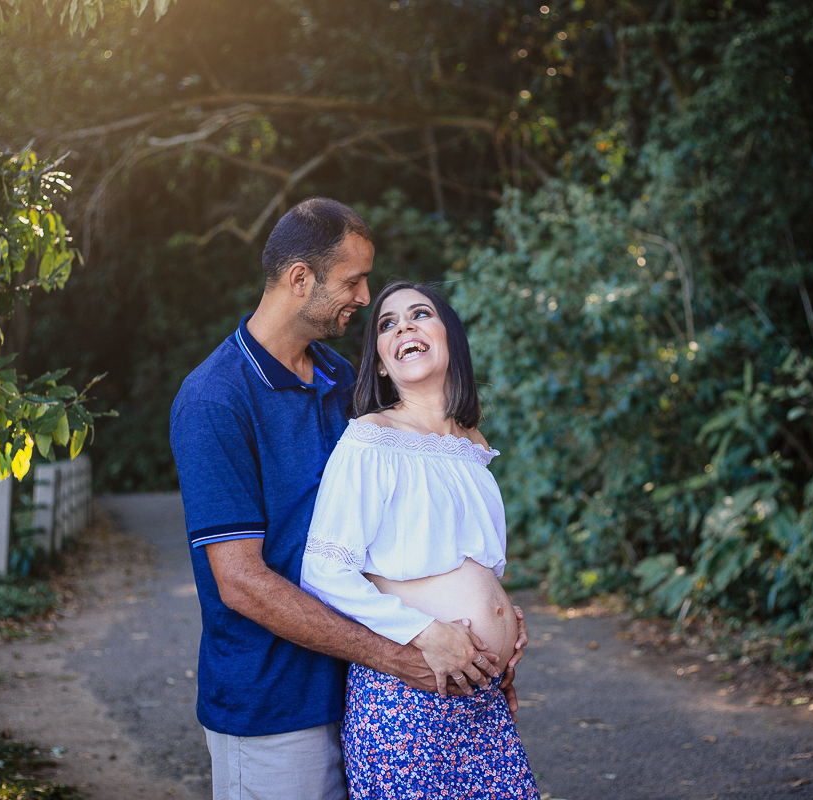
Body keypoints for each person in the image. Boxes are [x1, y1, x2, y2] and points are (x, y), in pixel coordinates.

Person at [169, 199, 524, 800]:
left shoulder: (341, 382)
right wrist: (398, 651)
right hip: (279, 703)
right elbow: (241, 583)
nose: (364, 297)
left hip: (372, 688)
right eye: (353, 280)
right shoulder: (214, 400)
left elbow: (398, 534)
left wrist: (488, 627)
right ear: (299, 279)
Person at [301, 280, 539, 799]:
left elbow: (464, 564)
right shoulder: (371, 438)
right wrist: (424, 632)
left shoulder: (473, 447)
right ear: (382, 364)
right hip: (408, 696)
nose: (404, 326)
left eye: (420, 314)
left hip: (481, 698)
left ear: (450, 338)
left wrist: (503, 619)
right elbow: (323, 570)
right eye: (388, 324)